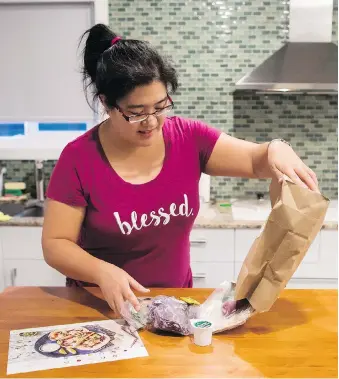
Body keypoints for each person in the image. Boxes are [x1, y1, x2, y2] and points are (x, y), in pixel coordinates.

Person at [42, 24, 319, 316]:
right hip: (101, 307)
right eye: (136, 113)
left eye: (160, 107)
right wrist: (101, 272)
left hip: (174, 306)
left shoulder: (189, 139)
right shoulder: (79, 158)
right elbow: (56, 244)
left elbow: (254, 159)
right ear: (106, 104)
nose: (151, 122)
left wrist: (276, 147)